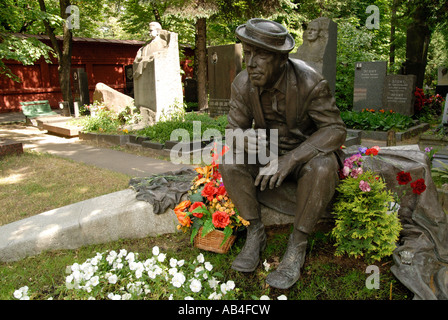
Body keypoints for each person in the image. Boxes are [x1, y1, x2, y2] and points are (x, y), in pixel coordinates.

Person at [219, 18, 347, 289]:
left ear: (281, 59)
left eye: (261, 55)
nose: (250, 63)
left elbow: (335, 130)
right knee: (230, 160)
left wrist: (290, 160)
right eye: (248, 52)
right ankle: (255, 232)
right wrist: (242, 139)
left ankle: (297, 245)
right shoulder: (243, 83)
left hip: (307, 154)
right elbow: (232, 131)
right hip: (267, 153)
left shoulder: (310, 82)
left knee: (323, 167)